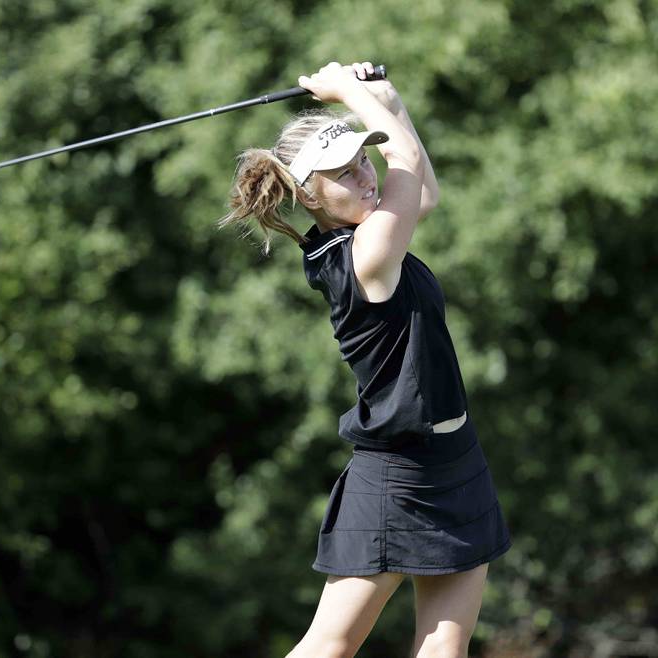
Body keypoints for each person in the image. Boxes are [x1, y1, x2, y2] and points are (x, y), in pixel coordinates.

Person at [219, 61, 512, 658]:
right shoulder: (360, 256)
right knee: (329, 646)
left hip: (455, 457)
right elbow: (405, 165)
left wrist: (386, 98)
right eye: (342, 174)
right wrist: (350, 93)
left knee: (444, 652)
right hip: (398, 474)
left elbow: (421, 189)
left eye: (361, 161)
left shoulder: (375, 232)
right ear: (308, 195)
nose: (363, 176)